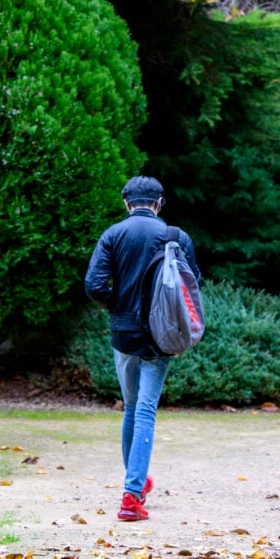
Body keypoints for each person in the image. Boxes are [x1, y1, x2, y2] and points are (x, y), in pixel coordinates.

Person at [84, 176, 201, 521]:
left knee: (131, 409)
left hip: (123, 334)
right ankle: (131, 495)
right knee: (146, 410)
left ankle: (136, 482)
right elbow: (193, 285)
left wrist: (116, 306)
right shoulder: (176, 238)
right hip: (161, 335)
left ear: (126, 203)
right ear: (159, 202)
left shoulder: (113, 235)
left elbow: (93, 285)